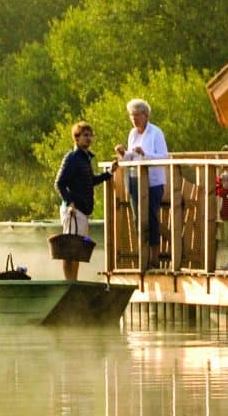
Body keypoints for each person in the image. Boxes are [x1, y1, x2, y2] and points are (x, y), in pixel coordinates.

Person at [53, 121, 109, 281]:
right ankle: (68, 282)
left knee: (77, 249)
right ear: (76, 139)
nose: (89, 138)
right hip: (73, 210)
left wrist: (108, 174)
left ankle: (73, 281)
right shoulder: (72, 157)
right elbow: (59, 183)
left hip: (82, 211)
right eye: (85, 135)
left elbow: (89, 181)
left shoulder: (85, 159)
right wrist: (70, 202)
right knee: (69, 249)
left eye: (90, 135)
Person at [117, 98, 169, 263]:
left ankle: (154, 258)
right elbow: (131, 157)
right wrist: (122, 153)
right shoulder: (132, 134)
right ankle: (143, 255)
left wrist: (145, 154)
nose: (134, 119)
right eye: (131, 115)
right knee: (137, 218)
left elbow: (164, 157)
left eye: (137, 115)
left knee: (151, 218)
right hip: (134, 179)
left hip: (153, 182)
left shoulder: (156, 132)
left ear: (146, 115)